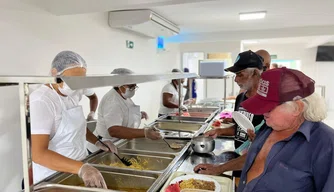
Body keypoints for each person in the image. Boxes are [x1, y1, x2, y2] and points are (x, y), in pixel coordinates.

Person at [236, 67, 334, 192]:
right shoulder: (268, 127)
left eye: (270, 108)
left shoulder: (326, 144)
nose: (263, 113)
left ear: (297, 108)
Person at [30, 51, 117, 188]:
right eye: (73, 80)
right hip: (54, 178)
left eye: (81, 80)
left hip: (77, 169)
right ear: (55, 73)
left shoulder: (73, 94)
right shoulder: (42, 100)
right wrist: (82, 169)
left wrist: (98, 142)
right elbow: (39, 154)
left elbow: (77, 127)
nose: (77, 85)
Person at [195, 50, 265, 177]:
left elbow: (264, 147)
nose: (236, 79)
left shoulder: (267, 104)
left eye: (240, 74)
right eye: (235, 75)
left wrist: (219, 168)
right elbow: (239, 127)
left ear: (255, 73)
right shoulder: (241, 98)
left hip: (257, 165)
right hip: (238, 161)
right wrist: (219, 131)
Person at [87, 68, 162, 152]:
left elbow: (124, 112)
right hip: (104, 145)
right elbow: (114, 130)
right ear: (119, 85)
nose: (133, 88)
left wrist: (138, 115)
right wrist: (145, 133)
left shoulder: (123, 96)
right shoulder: (112, 101)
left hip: (117, 142)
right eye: (130, 86)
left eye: (135, 85)